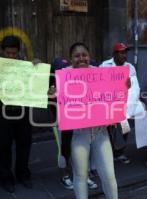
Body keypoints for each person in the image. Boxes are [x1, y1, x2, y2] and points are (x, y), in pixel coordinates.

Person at [59, 42, 118, 199]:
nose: (81, 58)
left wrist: (125, 86)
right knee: (80, 175)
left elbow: (114, 94)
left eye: (84, 55)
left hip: (100, 132)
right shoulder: (64, 75)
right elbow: (54, 99)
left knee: (109, 175)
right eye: (76, 56)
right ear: (70, 58)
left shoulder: (101, 74)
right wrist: (52, 93)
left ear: (89, 56)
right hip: (79, 134)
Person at [50, 57, 98, 190]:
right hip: (61, 121)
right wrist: (51, 93)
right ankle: (64, 175)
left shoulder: (82, 77)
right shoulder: (54, 80)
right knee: (64, 150)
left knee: (82, 148)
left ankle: (83, 175)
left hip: (80, 120)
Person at [0, 36, 33, 193]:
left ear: (18, 52)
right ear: (2, 51)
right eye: (8, 53)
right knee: (3, 146)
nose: (11, 56)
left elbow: (35, 81)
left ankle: (23, 174)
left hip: (22, 111)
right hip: (2, 113)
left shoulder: (25, 65)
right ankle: (6, 178)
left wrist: (36, 66)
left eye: (14, 53)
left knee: (25, 144)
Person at [100, 42, 137, 164]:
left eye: (125, 52)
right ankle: (109, 154)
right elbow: (98, 85)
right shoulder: (105, 66)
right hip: (109, 105)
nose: (124, 55)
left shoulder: (130, 67)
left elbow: (134, 87)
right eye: (121, 53)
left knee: (125, 130)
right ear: (114, 54)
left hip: (125, 105)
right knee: (110, 131)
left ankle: (119, 153)